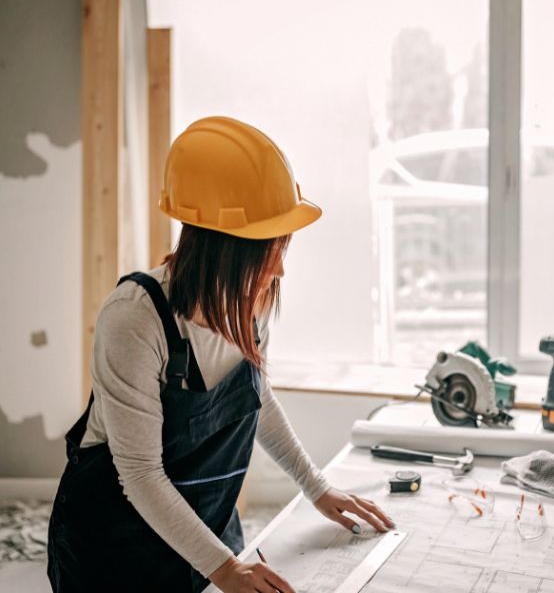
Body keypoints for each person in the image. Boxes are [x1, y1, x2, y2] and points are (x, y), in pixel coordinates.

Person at [46, 116, 393, 593]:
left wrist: (316, 487)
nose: (281, 269)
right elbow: (142, 474)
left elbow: (256, 398)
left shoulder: (251, 305)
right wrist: (225, 569)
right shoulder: (135, 319)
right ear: (229, 248)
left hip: (206, 536)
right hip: (116, 549)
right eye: (272, 247)